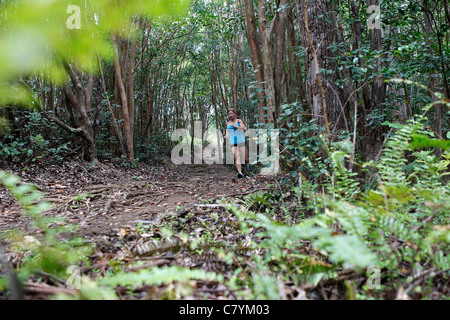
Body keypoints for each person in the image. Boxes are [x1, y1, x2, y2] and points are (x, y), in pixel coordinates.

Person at [224, 109, 247, 178]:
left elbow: (243, 128)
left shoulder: (239, 121)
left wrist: (234, 125)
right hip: (233, 142)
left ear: (234, 114)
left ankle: (246, 166)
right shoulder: (228, 123)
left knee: (245, 159)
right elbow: (227, 132)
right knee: (237, 157)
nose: (230, 115)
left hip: (241, 141)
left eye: (232, 113)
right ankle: (240, 173)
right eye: (229, 114)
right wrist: (226, 136)